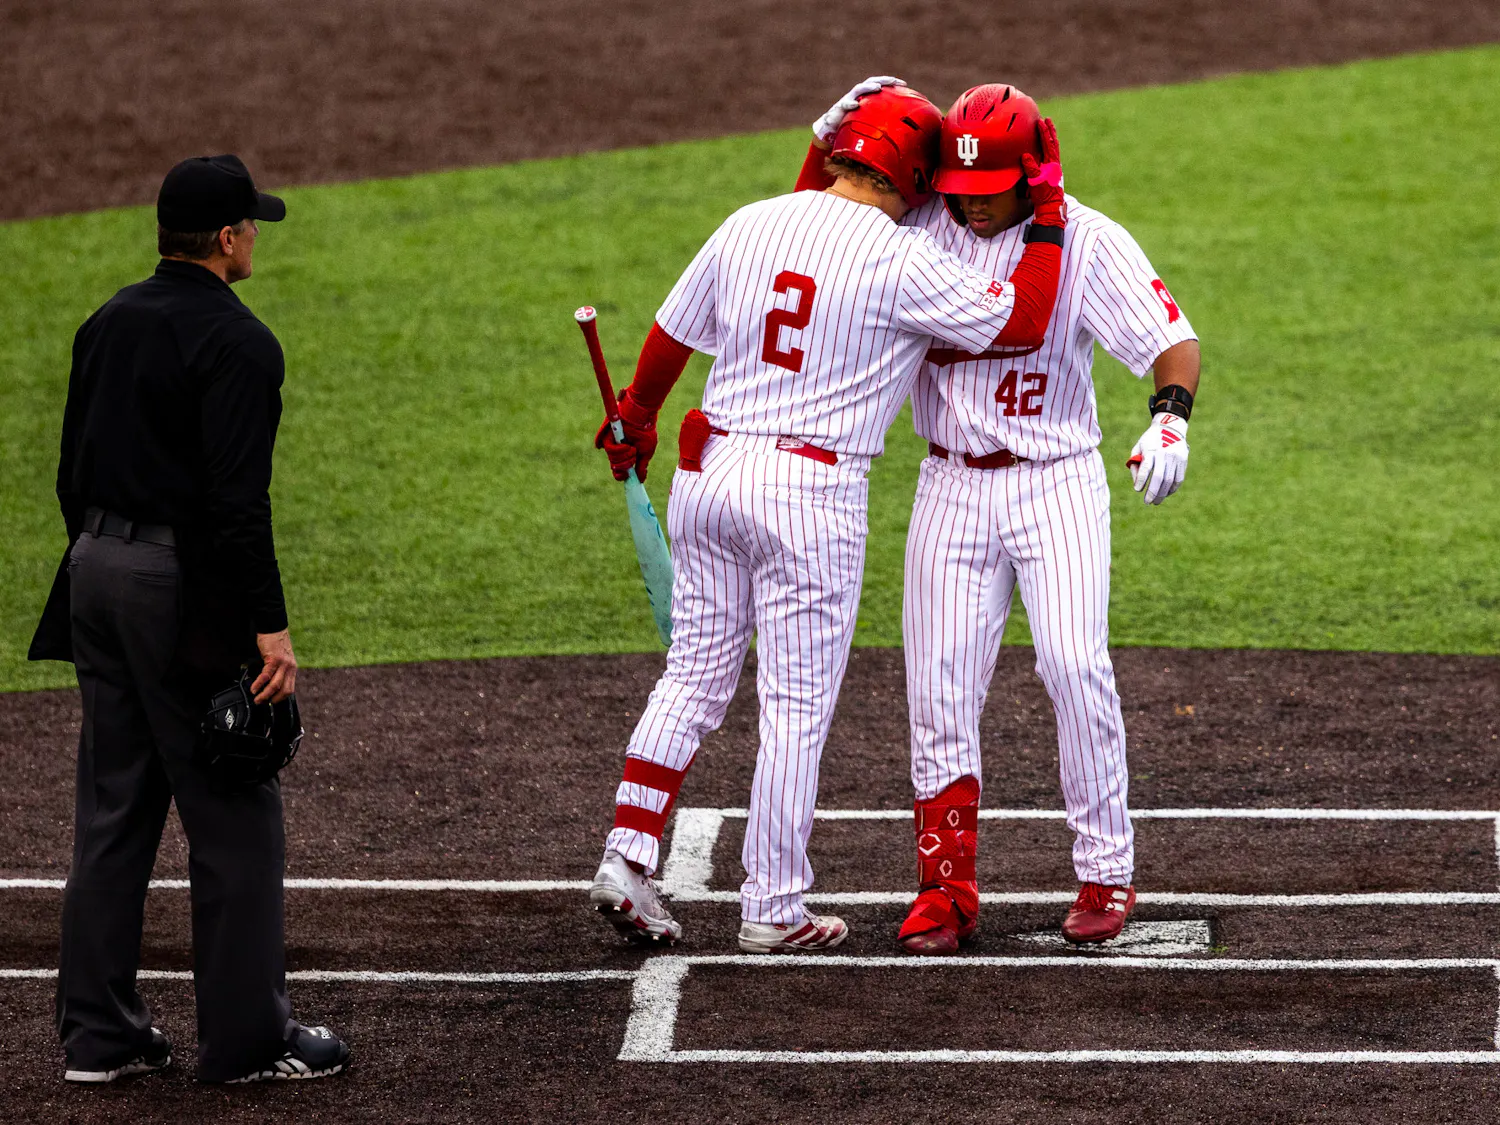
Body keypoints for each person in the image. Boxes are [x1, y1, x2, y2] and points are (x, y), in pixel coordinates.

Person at [586, 84, 1069, 953]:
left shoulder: (753, 221)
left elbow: (668, 336)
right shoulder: (901, 261)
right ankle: (772, 905)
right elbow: (1024, 319)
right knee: (795, 707)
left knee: (692, 677)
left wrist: (640, 417)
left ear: (840, 151)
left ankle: (627, 855)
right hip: (809, 496)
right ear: (916, 178)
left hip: (711, 470)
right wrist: (1050, 205)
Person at [799, 79, 1201, 952]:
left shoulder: (1088, 241)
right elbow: (814, 228)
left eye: (989, 196)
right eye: (959, 192)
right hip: (949, 483)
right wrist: (825, 137)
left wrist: (1169, 415)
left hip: (1056, 478)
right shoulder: (916, 228)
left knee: (1071, 664)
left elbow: (1175, 339)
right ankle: (945, 890)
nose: (972, 211)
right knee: (939, 686)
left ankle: (1106, 869)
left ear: (1031, 176)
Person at [28, 155, 350, 1083]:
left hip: (91, 566)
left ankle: (99, 1038)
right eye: (251, 224)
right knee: (236, 805)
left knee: (115, 808)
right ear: (224, 239)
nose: (257, 236)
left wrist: (107, 566)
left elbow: (69, 469)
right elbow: (238, 504)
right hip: (176, 584)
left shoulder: (107, 321)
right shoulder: (240, 344)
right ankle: (247, 1041)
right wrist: (269, 628)